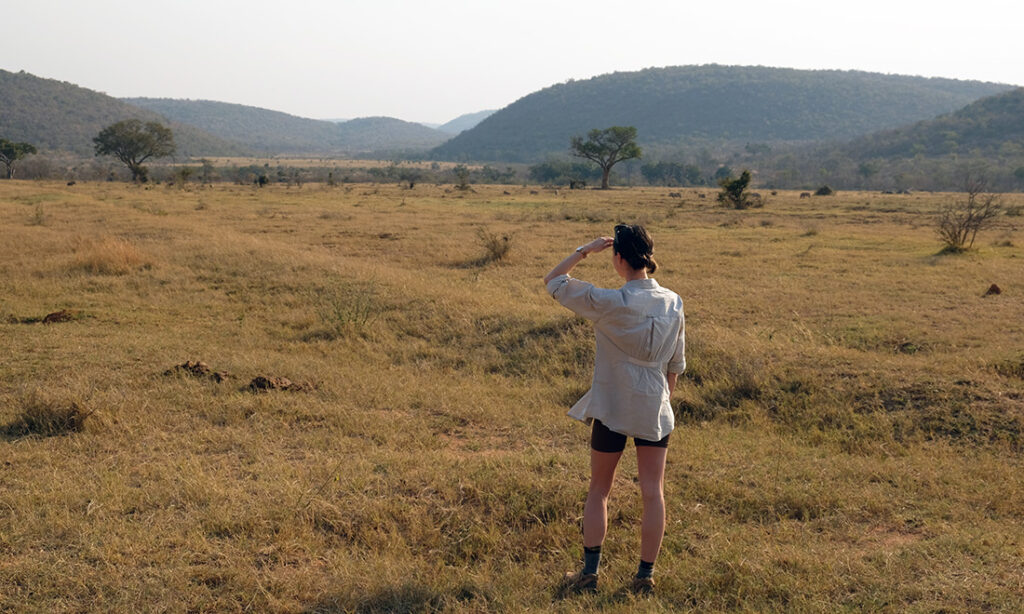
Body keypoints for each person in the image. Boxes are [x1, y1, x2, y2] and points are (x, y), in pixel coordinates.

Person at [543, 224, 685, 597]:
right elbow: (676, 366)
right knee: (654, 492)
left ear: (618, 258)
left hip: (611, 406)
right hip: (655, 408)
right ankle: (645, 577)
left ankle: (590, 574)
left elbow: (554, 281)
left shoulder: (608, 302)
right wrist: (661, 401)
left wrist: (584, 250)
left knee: (599, 490)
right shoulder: (673, 301)